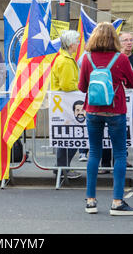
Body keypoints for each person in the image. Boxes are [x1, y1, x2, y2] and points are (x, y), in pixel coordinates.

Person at [78, 22, 133, 216]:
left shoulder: (87, 58)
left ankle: (90, 201)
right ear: (114, 38)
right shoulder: (120, 58)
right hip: (115, 110)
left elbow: (81, 87)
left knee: (94, 152)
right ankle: (117, 202)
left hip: (93, 111)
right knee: (120, 154)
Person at [99, 32, 133, 173]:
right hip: (111, 101)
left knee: (124, 133)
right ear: (118, 42)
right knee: (106, 133)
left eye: (131, 40)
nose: (129, 43)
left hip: (127, 101)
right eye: (125, 40)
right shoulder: (115, 58)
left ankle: (121, 160)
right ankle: (105, 163)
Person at [50, 30, 82, 179]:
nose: (78, 44)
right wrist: (82, 87)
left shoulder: (64, 59)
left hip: (64, 104)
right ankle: (63, 168)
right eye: (77, 41)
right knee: (68, 138)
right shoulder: (66, 61)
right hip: (66, 104)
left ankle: (62, 167)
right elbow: (68, 85)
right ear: (70, 44)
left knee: (66, 137)